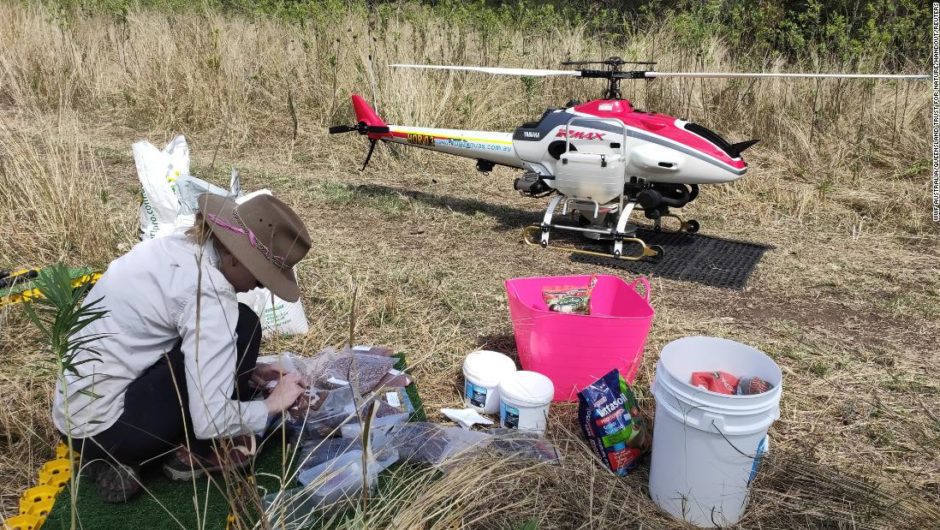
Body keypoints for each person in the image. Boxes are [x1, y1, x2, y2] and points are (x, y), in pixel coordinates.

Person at [53, 192, 312, 503]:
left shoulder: (176, 246)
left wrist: (246, 368)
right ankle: (195, 454)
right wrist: (271, 405)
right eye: (260, 276)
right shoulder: (209, 294)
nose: (259, 286)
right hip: (115, 428)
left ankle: (113, 459)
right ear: (235, 256)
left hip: (73, 421)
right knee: (245, 325)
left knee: (238, 326)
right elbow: (210, 420)